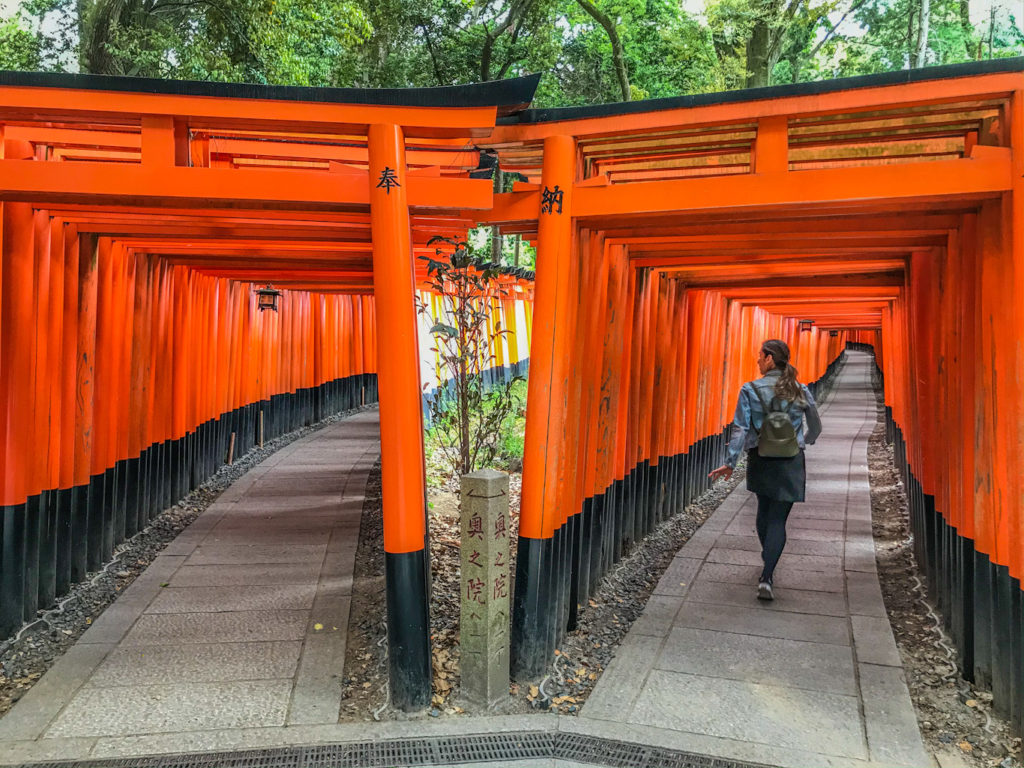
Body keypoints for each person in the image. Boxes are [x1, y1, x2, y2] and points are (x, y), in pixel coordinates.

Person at [708, 339, 822, 601]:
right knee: (779, 519)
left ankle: (767, 558)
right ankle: (767, 575)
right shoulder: (800, 389)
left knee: (764, 511)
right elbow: (815, 426)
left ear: (769, 358)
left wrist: (730, 461)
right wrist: (803, 440)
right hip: (791, 460)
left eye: (760, 356)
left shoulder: (750, 389)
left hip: (761, 457)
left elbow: (740, 428)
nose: (757, 360)